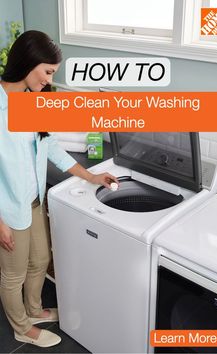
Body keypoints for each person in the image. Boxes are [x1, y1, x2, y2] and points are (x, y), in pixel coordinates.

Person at [0, 30, 118, 348]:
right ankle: (21, 327)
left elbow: (51, 146)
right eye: (48, 71)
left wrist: (90, 176)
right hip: (9, 207)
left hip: (34, 198)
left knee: (39, 259)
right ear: (29, 61)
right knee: (12, 274)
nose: (50, 78)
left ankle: (34, 310)